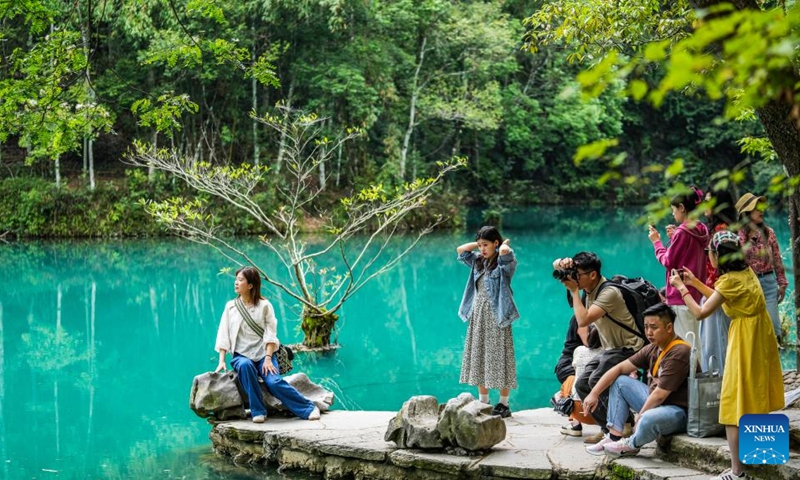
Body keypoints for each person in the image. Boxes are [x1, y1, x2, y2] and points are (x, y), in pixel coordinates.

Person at [670, 230, 783, 480]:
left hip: (745, 339)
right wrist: (696, 283)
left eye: (709, 252)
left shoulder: (729, 280)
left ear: (718, 256)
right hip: (759, 336)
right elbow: (722, 298)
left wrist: (681, 288)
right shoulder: (746, 272)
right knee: (757, 391)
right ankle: (763, 454)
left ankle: (737, 472)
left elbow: (701, 313)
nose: (708, 256)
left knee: (733, 404)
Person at [552, 252, 645, 444]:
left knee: (596, 380)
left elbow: (584, 320)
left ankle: (620, 427)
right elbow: (554, 265)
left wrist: (574, 292)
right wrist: (563, 262)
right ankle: (609, 427)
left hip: (630, 348)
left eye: (578, 274)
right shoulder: (589, 288)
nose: (574, 278)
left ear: (592, 274)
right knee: (581, 384)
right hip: (612, 349)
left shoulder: (608, 292)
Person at [582, 303, 692, 457]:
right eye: (646, 327)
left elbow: (660, 394)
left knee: (647, 417)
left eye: (654, 327)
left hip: (677, 412)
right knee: (620, 381)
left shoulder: (679, 351)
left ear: (669, 328)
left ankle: (631, 445)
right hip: (657, 403)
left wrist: (640, 416)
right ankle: (613, 437)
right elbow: (618, 368)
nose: (648, 332)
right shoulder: (653, 348)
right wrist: (593, 394)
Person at [214, 266, 321, 423]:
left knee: (274, 381)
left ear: (251, 285)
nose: (236, 283)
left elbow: (271, 335)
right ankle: (258, 411)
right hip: (241, 355)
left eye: (240, 280)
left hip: (264, 354)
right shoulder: (231, 307)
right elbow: (223, 333)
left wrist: (269, 358)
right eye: (236, 279)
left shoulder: (265, 306)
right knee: (245, 366)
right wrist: (221, 360)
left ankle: (308, 408)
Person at [457, 226, 519, 418]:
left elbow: (507, 256)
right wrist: (480, 243)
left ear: (496, 243)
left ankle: (503, 404)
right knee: (479, 355)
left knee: (501, 357)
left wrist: (502, 249)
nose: (482, 249)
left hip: (497, 315)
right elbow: (461, 250)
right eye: (480, 245)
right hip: (478, 314)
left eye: (486, 245)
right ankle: (483, 401)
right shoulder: (477, 261)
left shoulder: (503, 262)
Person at [648, 186, 709, 357]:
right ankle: (700, 377)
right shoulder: (701, 228)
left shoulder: (683, 231)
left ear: (682, 208)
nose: (673, 214)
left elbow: (668, 261)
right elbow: (687, 254)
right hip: (697, 295)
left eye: (674, 210)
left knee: (685, 344)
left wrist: (657, 243)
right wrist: (674, 238)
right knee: (697, 340)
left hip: (680, 296)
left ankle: (690, 381)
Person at [736, 192, 789, 340]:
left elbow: (777, 259)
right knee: (753, 331)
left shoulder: (769, 232)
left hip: (769, 284)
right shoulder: (737, 236)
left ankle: (772, 361)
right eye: (756, 209)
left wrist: (782, 284)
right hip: (748, 287)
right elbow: (736, 264)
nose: (761, 211)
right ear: (746, 213)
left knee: (773, 329)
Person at [700, 188, 736, 374]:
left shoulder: (722, 232)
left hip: (718, 297)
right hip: (715, 293)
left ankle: (721, 389)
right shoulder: (718, 229)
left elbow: (722, 272)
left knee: (717, 346)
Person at [552, 324, 601, 437]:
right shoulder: (609, 353)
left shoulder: (578, 350)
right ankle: (611, 427)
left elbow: (577, 369)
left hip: (579, 412)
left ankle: (575, 424)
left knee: (571, 379)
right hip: (602, 414)